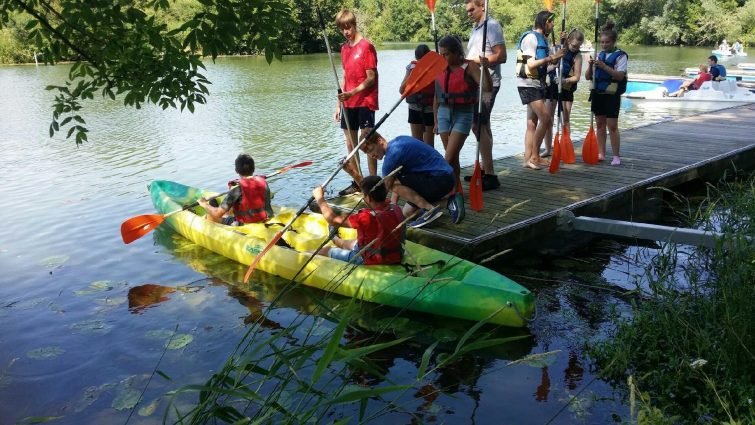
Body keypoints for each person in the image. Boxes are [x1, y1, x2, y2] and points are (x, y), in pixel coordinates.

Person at [345, 132, 462, 228]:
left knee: (393, 184)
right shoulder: (399, 140)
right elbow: (394, 180)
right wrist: (393, 205)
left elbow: (378, 192)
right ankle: (449, 202)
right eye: (367, 153)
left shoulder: (391, 157)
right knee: (407, 212)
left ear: (380, 141)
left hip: (440, 179)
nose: (371, 155)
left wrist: (353, 173)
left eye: (371, 150)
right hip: (446, 177)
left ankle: (430, 210)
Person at [434, 35, 491, 190]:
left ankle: (438, 184)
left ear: (456, 53)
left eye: (445, 54)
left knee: (449, 156)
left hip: (463, 113)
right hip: (443, 113)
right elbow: (436, 96)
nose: (442, 57)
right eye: (441, 53)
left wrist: (485, 68)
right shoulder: (440, 68)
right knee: (453, 158)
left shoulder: (470, 66)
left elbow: (486, 88)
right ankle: (456, 190)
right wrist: (436, 121)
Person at [334, 9, 379, 196]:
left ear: (354, 24)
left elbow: (371, 78)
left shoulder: (366, 46)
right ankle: (358, 181)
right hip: (348, 102)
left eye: (348, 27)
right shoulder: (344, 49)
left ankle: (374, 183)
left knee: (367, 142)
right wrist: (338, 104)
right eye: (342, 29)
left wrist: (353, 92)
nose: (346, 31)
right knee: (351, 145)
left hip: (365, 100)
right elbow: (345, 76)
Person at [312, 176, 404, 266]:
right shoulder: (395, 207)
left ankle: (300, 254)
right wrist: (351, 171)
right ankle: (335, 238)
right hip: (395, 254)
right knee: (346, 243)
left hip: (370, 258)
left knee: (326, 250)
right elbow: (371, 188)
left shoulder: (366, 217)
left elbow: (333, 220)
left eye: (364, 195)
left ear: (369, 198)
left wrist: (319, 198)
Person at [463, 0, 506, 190]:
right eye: (467, 10)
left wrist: (480, 61)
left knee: (478, 125)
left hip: (488, 84)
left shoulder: (492, 26)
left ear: (483, 6)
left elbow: (501, 55)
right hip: (475, 82)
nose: (469, 13)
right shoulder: (476, 28)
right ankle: (486, 168)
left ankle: (490, 174)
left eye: (472, 9)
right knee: (482, 126)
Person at [515, 11, 565, 170]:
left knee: (532, 123)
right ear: (545, 23)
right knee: (546, 119)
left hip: (536, 83)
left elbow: (547, 66)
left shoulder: (543, 39)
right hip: (528, 84)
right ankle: (535, 156)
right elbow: (530, 64)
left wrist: (558, 54)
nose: (553, 25)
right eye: (551, 22)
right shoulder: (531, 38)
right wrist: (551, 58)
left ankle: (528, 158)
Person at [585, 21, 628, 166]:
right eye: (602, 42)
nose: (604, 45)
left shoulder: (621, 56)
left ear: (613, 41)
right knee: (600, 124)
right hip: (598, 93)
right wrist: (590, 66)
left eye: (607, 42)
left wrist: (603, 66)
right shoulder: (598, 54)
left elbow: (619, 76)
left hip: (612, 94)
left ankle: (616, 156)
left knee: (612, 125)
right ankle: (601, 153)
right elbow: (587, 77)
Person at [541, 29, 584, 157]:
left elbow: (576, 77)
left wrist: (564, 80)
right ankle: (548, 149)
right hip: (552, 87)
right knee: (548, 119)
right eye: (574, 46)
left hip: (566, 90)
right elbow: (549, 62)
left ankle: (565, 147)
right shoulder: (558, 49)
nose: (576, 48)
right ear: (569, 41)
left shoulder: (578, 56)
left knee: (565, 120)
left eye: (579, 46)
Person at [197, 154, 273, 225]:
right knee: (231, 208)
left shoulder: (236, 189)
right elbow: (270, 196)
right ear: (254, 168)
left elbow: (217, 213)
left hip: (244, 224)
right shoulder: (263, 182)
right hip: (264, 218)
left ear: (236, 170)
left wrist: (204, 203)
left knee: (210, 216)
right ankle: (217, 208)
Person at [400, 44, 435, 146]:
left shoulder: (412, 68)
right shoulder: (412, 68)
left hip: (424, 108)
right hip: (422, 108)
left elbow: (401, 90)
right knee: (427, 145)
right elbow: (402, 90)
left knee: (419, 144)